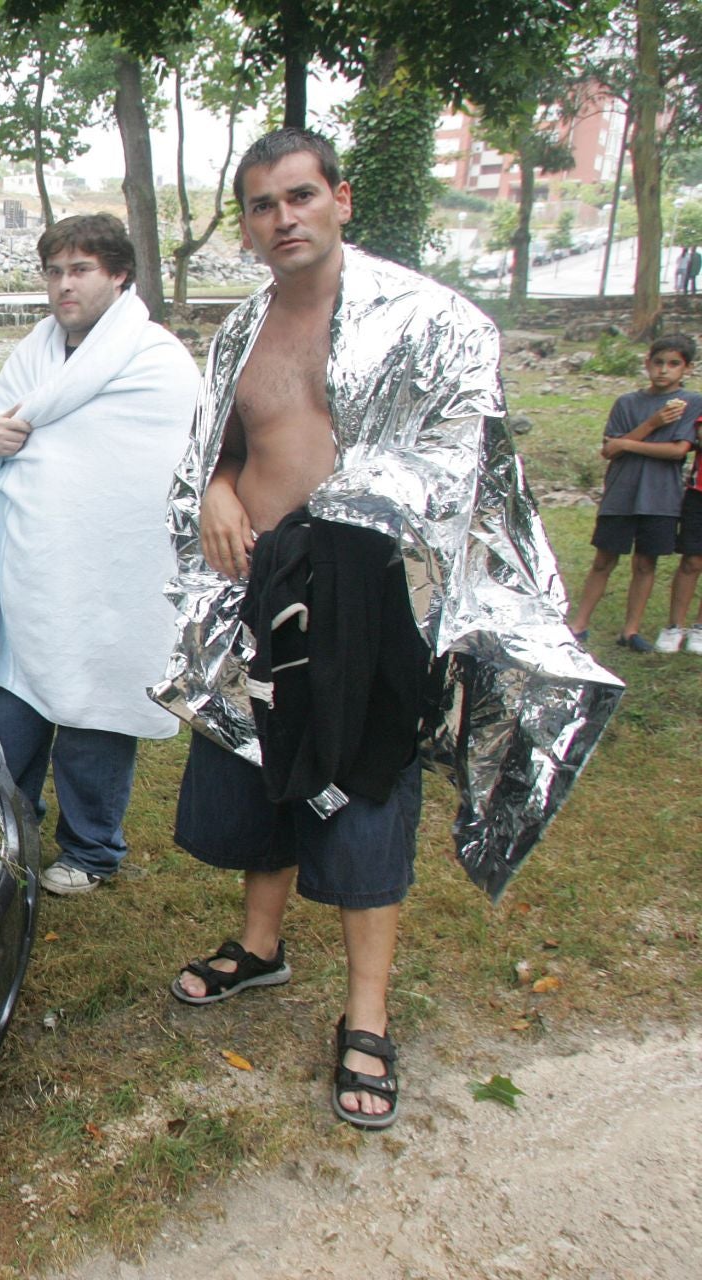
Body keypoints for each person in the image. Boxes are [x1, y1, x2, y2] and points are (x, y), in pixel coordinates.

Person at [152, 129, 621, 1131]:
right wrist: (222, 491)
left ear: (341, 199)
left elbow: (460, 461)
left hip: (372, 603)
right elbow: (218, 449)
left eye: (301, 195)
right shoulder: (240, 329)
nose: (285, 218)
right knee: (261, 766)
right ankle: (261, 946)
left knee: (366, 794)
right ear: (246, 224)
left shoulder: (433, 318)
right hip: (257, 592)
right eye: (264, 205)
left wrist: (335, 526)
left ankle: (366, 1014)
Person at [0, 214, 199, 895]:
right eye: (55, 271)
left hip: (108, 575)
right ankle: (12, 826)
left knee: (94, 712)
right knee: (14, 714)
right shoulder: (36, 352)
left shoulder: (157, 362)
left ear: (119, 274)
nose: (65, 285)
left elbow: (162, 467)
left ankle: (92, 849)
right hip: (29, 566)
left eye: (81, 270)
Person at [566, 335, 700, 651]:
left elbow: (678, 450)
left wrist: (627, 443)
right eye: (658, 363)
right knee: (604, 559)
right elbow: (611, 449)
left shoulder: (691, 403)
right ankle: (579, 623)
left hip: (662, 497)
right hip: (621, 493)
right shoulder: (627, 403)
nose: (663, 371)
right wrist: (652, 424)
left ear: (686, 368)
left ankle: (631, 630)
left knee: (645, 563)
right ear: (647, 363)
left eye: (673, 364)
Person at [635, 337, 702, 651]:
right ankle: (675, 625)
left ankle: (700, 628)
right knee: (691, 560)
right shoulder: (696, 404)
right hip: (699, 491)